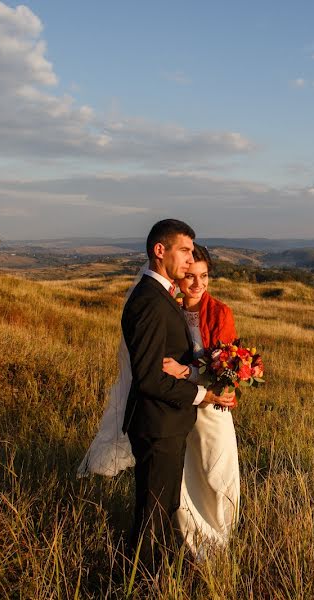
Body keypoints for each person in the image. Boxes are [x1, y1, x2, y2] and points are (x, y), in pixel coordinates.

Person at [117, 219, 235, 570]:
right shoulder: (152, 301)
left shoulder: (159, 296)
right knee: (153, 510)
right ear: (159, 251)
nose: (189, 261)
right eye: (184, 251)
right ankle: (138, 578)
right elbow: (150, 380)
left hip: (169, 420)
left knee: (164, 505)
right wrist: (203, 395)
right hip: (158, 422)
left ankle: (158, 567)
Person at [160, 244, 240, 559]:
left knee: (218, 472)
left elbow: (226, 367)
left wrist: (186, 371)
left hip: (213, 405)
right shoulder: (169, 310)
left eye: (204, 276)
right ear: (178, 275)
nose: (198, 284)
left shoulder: (220, 312)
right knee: (185, 475)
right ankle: (192, 547)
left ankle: (222, 542)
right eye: (190, 276)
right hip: (178, 405)